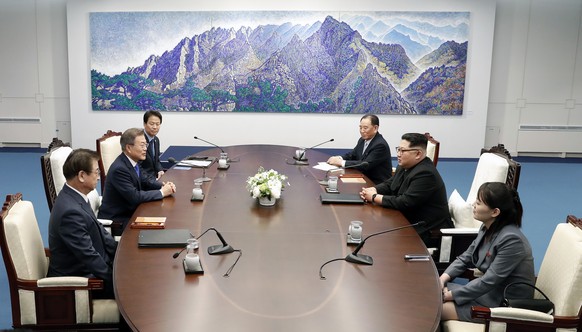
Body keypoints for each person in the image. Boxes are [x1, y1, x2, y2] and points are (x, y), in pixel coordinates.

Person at [440, 182, 535, 323]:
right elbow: (466, 258)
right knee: (427, 291)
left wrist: (451, 295)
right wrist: (443, 279)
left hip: (501, 304)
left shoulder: (512, 240)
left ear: (495, 212)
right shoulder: (487, 228)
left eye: (478, 203)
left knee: (430, 309)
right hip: (484, 294)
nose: (473, 205)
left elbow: (489, 281)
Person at [47, 149, 118, 299]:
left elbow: (100, 231)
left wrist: (120, 254)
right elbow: (88, 257)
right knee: (140, 289)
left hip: (95, 266)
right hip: (81, 281)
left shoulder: (76, 196)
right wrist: (117, 278)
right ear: (81, 175)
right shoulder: (69, 212)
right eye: (96, 172)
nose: (99, 177)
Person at [359, 132, 453, 246]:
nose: (398, 154)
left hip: (426, 231)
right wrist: (373, 189)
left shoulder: (426, 174)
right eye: (398, 149)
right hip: (406, 220)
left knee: (378, 241)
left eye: (403, 151)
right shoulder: (404, 165)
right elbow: (390, 184)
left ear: (418, 154)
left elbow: (405, 202)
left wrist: (374, 197)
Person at [98, 128, 176, 230]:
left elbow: (146, 181)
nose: (145, 149)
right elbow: (134, 197)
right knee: (160, 228)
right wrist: (162, 192)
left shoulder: (133, 161)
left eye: (146, 145)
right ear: (129, 148)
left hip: (131, 211)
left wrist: (164, 186)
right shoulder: (120, 169)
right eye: (142, 145)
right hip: (119, 220)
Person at [327, 114, 392, 184]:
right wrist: (339, 158)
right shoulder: (362, 140)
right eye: (360, 127)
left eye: (365, 128)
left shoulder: (380, 145)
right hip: (363, 179)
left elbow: (364, 165)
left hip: (376, 184)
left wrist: (340, 162)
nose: (362, 131)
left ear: (375, 128)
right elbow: (352, 155)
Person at [141, 110, 164, 180]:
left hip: (154, 178)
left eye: (157, 124)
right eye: (152, 124)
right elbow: (137, 167)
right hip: (144, 180)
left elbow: (156, 160)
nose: (155, 127)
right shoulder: (139, 140)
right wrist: (152, 182)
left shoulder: (156, 140)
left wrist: (160, 170)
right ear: (145, 124)